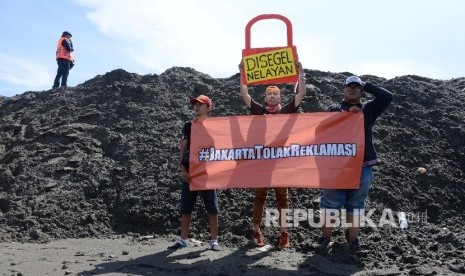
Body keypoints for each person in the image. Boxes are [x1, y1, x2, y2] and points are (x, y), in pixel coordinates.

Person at [316, 75, 393, 251]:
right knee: (331, 203)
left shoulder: (368, 110)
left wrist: (366, 84)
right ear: (343, 90)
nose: (352, 89)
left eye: (356, 87)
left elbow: (387, 97)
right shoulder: (333, 108)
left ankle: (352, 241)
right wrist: (344, 115)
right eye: (349, 86)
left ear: (361, 91)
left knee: (356, 204)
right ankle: (325, 237)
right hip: (336, 166)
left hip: (362, 166)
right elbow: (323, 127)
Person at [239, 61, 307, 250]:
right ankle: (256, 231)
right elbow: (245, 95)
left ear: (279, 97)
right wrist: (243, 73)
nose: (272, 96)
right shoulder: (259, 111)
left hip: (281, 161)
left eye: (275, 93)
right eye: (269, 93)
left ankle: (284, 233)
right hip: (262, 160)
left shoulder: (285, 111)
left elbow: (301, 94)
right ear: (265, 97)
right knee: (260, 195)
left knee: (282, 197)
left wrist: (301, 73)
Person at [168, 94, 222, 251]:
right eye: (195, 104)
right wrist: (182, 168)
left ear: (209, 107)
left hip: (207, 172)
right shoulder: (188, 125)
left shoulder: (216, 126)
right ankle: (183, 239)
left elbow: (222, 148)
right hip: (190, 173)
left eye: (200, 104)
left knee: (212, 208)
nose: (196, 107)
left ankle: (214, 241)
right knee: (186, 208)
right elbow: (183, 148)